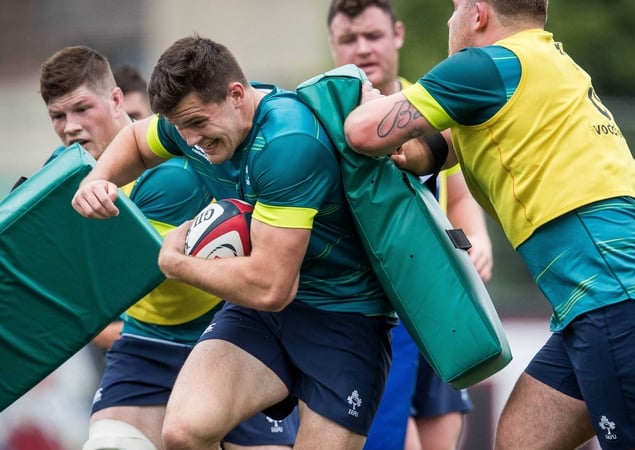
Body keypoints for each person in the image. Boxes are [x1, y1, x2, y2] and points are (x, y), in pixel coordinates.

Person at [343, 1, 635, 449]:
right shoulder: (548, 62)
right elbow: (441, 147)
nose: (448, 21)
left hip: (619, 304)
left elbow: (360, 131)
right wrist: (408, 148)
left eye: (454, 9)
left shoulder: (483, 66)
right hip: (614, 302)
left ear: (477, 14)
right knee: (519, 440)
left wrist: (358, 93)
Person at [71, 36, 396, 450]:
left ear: (237, 95)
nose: (189, 141)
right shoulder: (194, 120)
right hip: (263, 316)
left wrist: (176, 262)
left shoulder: (286, 144)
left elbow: (272, 286)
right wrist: (95, 180)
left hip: (345, 316)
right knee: (184, 432)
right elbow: (136, 140)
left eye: (197, 125)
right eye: (180, 128)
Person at [41, 45, 297, 450]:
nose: (70, 126)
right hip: (148, 341)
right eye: (58, 116)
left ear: (115, 99)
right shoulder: (63, 173)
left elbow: (118, 273)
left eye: (81, 109)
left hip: (227, 334)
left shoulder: (169, 177)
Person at [327, 1, 492, 449]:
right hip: (370, 314)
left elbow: (456, 196)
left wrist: (474, 241)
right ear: (332, 44)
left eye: (373, 36)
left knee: (443, 435)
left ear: (397, 35)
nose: (362, 49)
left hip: (435, 302)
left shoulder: (428, 104)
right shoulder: (323, 120)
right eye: (349, 39)